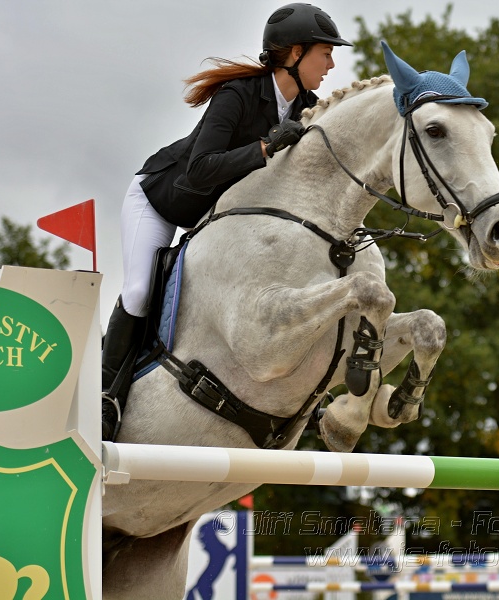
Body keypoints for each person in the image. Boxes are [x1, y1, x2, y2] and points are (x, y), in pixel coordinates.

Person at [101, 3, 351, 441]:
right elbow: (200, 170)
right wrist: (264, 148)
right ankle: (105, 397)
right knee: (140, 291)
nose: (331, 63)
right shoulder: (238, 93)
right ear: (293, 53)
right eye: (324, 53)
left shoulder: (307, 108)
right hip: (162, 202)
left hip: (216, 224)